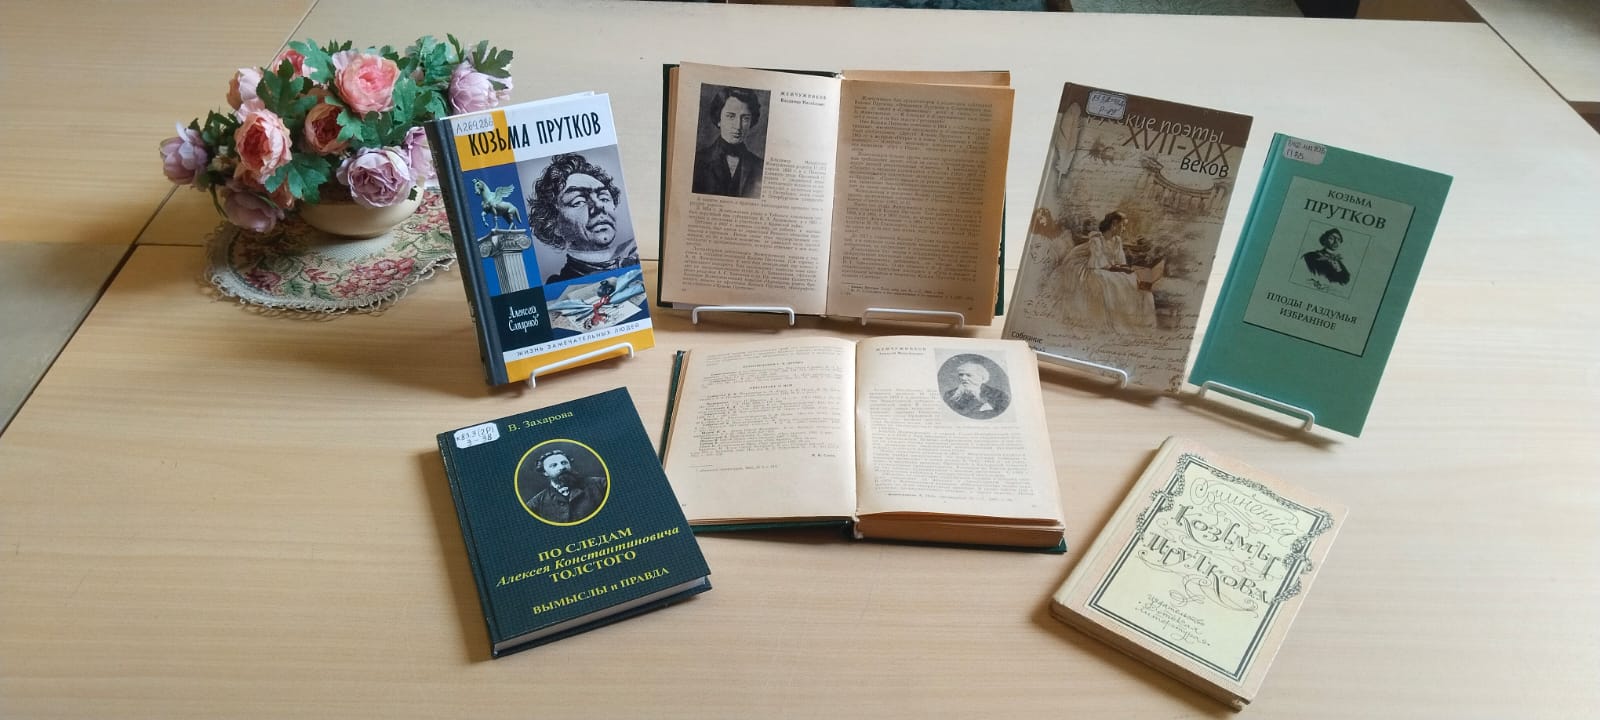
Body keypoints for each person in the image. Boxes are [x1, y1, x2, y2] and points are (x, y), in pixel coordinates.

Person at [528, 154, 639, 284]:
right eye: (579, 201)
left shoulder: (636, 255)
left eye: (604, 198)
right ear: (554, 225)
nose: (599, 206)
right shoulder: (562, 284)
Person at [1060, 210, 1157, 333]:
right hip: (1086, 265)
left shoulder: (1117, 240)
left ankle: (1135, 319)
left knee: (1132, 279)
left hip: (1106, 267)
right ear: (1114, 225)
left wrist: (1126, 268)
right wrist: (1121, 269)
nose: (1124, 229)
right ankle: (1116, 320)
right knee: (1107, 280)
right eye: (1123, 225)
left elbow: (1119, 262)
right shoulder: (1096, 239)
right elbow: (1097, 264)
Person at [691, 87, 764, 198]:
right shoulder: (697, 161)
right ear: (718, 119)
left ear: (751, 122)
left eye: (745, 118)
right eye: (730, 116)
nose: (738, 126)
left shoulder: (760, 166)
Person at [524, 449, 607, 523]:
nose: (562, 467)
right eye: (554, 465)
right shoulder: (536, 503)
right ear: (545, 472)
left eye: (564, 463)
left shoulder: (600, 484)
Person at [944, 361, 1010, 420]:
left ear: (981, 377)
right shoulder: (949, 395)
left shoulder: (999, 395)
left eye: (968, 375)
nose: (963, 378)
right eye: (961, 375)